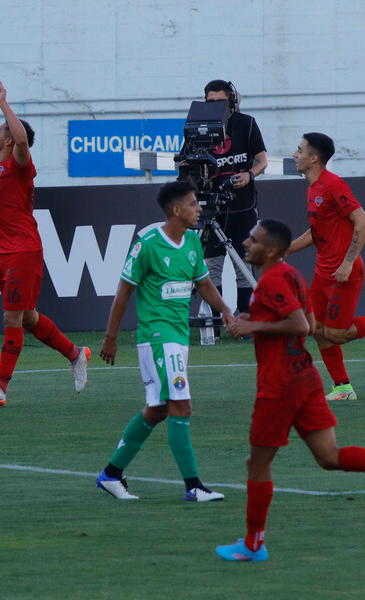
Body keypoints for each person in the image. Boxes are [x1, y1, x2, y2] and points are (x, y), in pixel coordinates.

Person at [217, 219, 365, 563]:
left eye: (253, 240)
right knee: (328, 457)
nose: (246, 243)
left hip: (280, 385)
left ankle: (254, 545)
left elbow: (301, 326)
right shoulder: (292, 275)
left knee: (257, 464)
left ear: (271, 250)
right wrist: (254, 321)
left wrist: (252, 325)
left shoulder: (272, 280)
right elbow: (311, 324)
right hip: (305, 377)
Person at [95, 180, 234, 502]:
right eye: (193, 203)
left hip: (178, 337)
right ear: (176, 209)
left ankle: (111, 474)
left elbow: (204, 284)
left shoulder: (193, 242)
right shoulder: (147, 245)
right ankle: (193, 486)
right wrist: (110, 338)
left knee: (157, 410)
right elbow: (124, 291)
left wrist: (226, 310)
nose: (199, 208)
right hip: (158, 338)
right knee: (181, 405)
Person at [0, 67, 89, 407]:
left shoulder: (19, 163)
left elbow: (20, 140)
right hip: (3, 251)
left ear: (7, 139)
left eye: (0, 129)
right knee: (28, 317)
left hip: (23, 249)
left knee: (11, 317)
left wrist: (4, 104)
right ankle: (75, 354)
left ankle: (1, 385)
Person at [286, 132, 365, 401]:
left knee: (336, 334)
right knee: (317, 329)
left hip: (344, 273)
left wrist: (347, 261)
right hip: (323, 272)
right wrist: (288, 249)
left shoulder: (333, 184)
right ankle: (343, 388)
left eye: (299, 150)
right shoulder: (312, 188)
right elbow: (317, 232)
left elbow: (363, 222)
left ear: (314, 158)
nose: (294, 155)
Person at [186, 80, 267, 323]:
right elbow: (186, 163)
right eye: (210, 102)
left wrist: (249, 174)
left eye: (220, 102)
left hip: (243, 207)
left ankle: (246, 320)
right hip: (210, 208)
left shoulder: (246, 123)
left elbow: (262, 160)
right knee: (211, 268)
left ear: (231, 102)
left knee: (244, 266)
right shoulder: (195, 125)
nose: (215, 107)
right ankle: (215, 323)